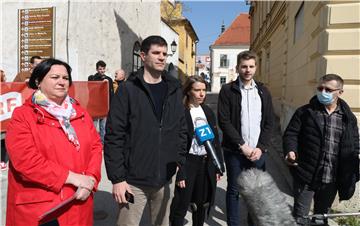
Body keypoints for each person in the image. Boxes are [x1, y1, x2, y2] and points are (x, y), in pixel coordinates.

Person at [5, 58, 103, 226]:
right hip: (44, 209)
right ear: (38, 81)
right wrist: (72, 178)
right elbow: (25, 161)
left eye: (65, 78)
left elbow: (95, 146)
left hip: (80, 200)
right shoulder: (23, 116)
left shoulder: (80, 113)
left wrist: (90, 179)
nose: (61, 82)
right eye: (55, 77)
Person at [104, 35, 187, 226]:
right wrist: (117, 179)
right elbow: (114, 136)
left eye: (164, 54)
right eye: (156, 53)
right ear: (143, 56)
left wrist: (177, 161)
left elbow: (182, 129)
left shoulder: (174, 90)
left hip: (165, 179)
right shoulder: (127, 90)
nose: (162, 58)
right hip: (133, 181)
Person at [283, 74, 359, 226]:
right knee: (300, 217)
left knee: (320, 218)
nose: (323, 92)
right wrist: (291, 150)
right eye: (320, 88)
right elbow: (291, 134)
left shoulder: (348, 118)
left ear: (340, 92)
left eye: (328, 89)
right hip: (306, 174)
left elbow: (354, 143)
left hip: (331, 179)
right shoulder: (305, 112)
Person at [217, 50, 274, 226]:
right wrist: (242, 145)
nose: (247, 70)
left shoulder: (263, 91)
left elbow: (269, 122)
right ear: (237, 68)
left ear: (256, 68)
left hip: (258, 152)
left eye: (251, 66)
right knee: (234, 191)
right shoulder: (228, 90)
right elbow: (224, 121)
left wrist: (261, 147)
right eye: (244, 66)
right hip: (235, 151)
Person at [170, 75, 224, 226]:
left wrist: (218, 166)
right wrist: (180, 171)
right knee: (181, 204)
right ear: (188, 91)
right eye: (197, 90)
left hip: (206, 163)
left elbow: (215, 142)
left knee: (201, 205)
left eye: (204, 90)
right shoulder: (181, 111)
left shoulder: (207, 111)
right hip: (188, 162)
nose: (201, 94)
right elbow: (175, 144)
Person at [88, 60, 114, 144]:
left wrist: (111, 106)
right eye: (100, 69)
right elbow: (91, 91)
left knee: (103, 127)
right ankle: (93, 142)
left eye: (103, 69)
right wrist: (100, 84)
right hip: (95, 106)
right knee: (93, 126)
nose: (102, 70)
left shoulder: (109, 79)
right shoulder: (92, 78)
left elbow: (111, 93)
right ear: (97, 69)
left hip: (104, 106)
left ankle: (102, 144)